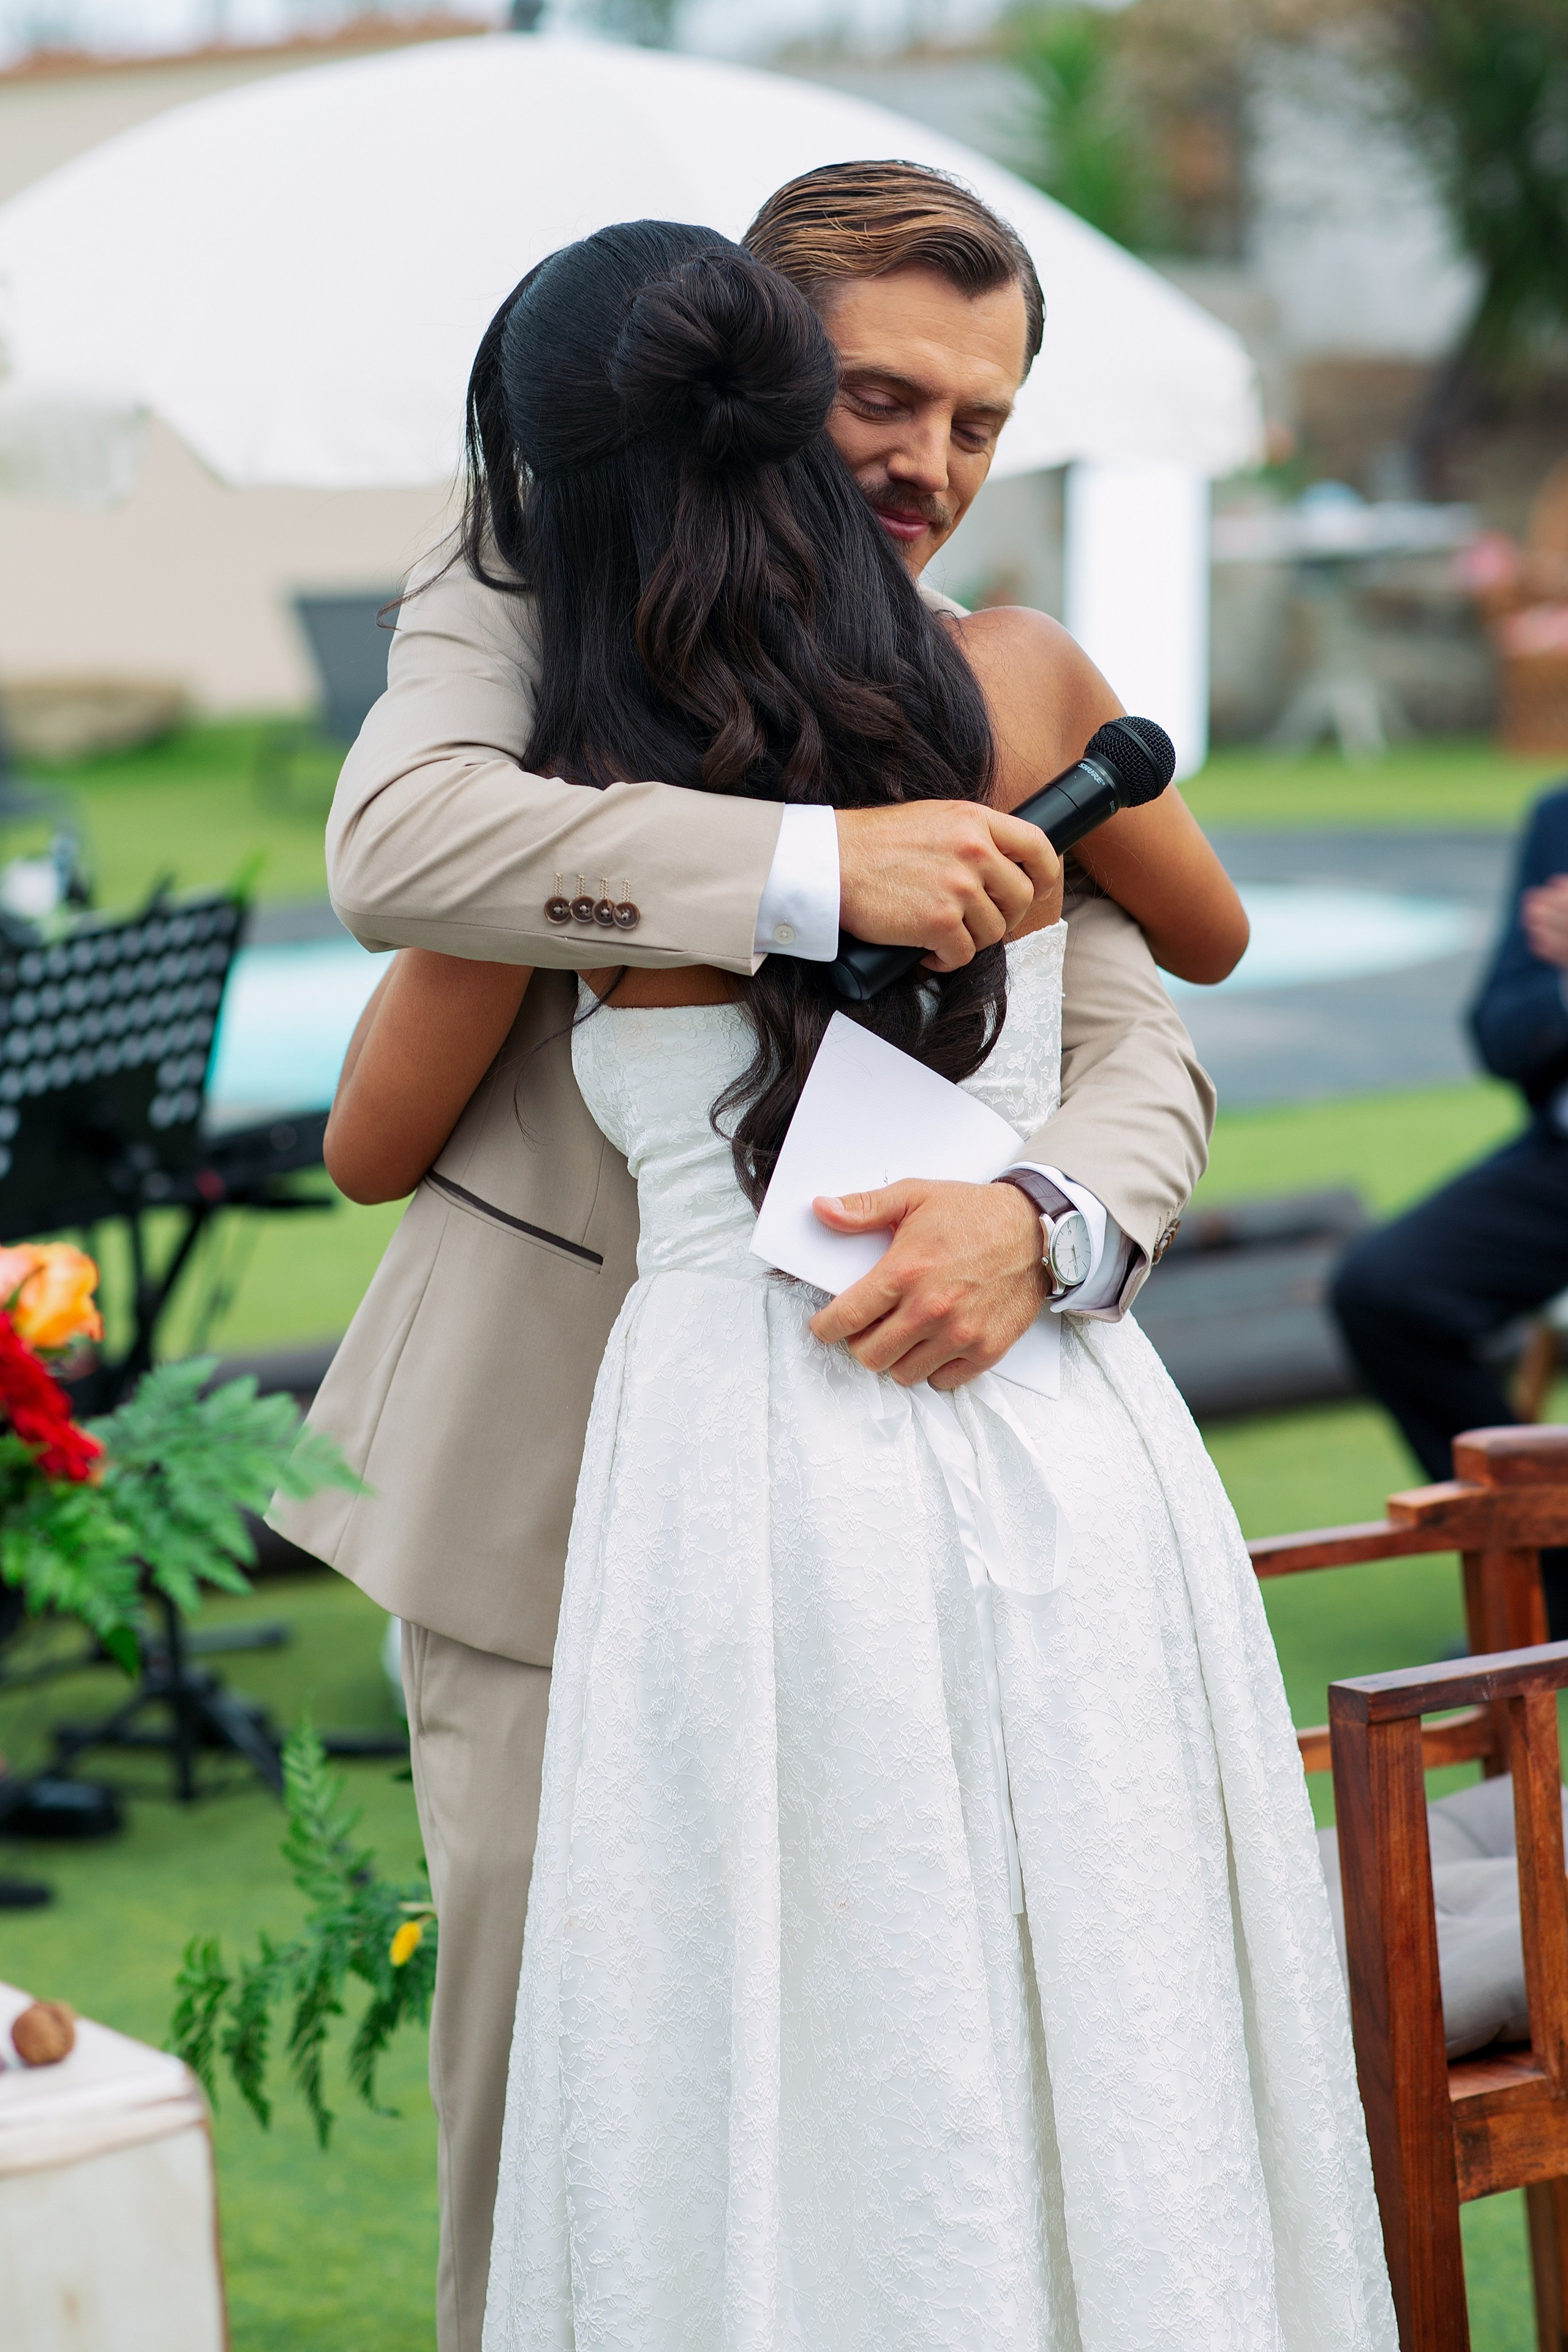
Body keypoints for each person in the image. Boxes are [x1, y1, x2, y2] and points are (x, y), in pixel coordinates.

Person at [325, 222, 1394, 2351]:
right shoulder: (540, 599)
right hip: (565, 1486)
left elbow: (1136, 1031)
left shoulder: (978, 667)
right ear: (744, 357)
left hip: (898, 1413)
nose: (925, 462)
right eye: (880, 400)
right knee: (588, 2096)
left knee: (1019, 2017)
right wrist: (816, 872)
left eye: (981, 421)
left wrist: (1054, 1221)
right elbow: (401, 845)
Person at [1333, 782, 1568, 1630]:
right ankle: (1549, 1567)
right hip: (1559, 1155)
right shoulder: (1559, 817)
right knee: (1384, 1289)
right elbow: (1501, 1032)